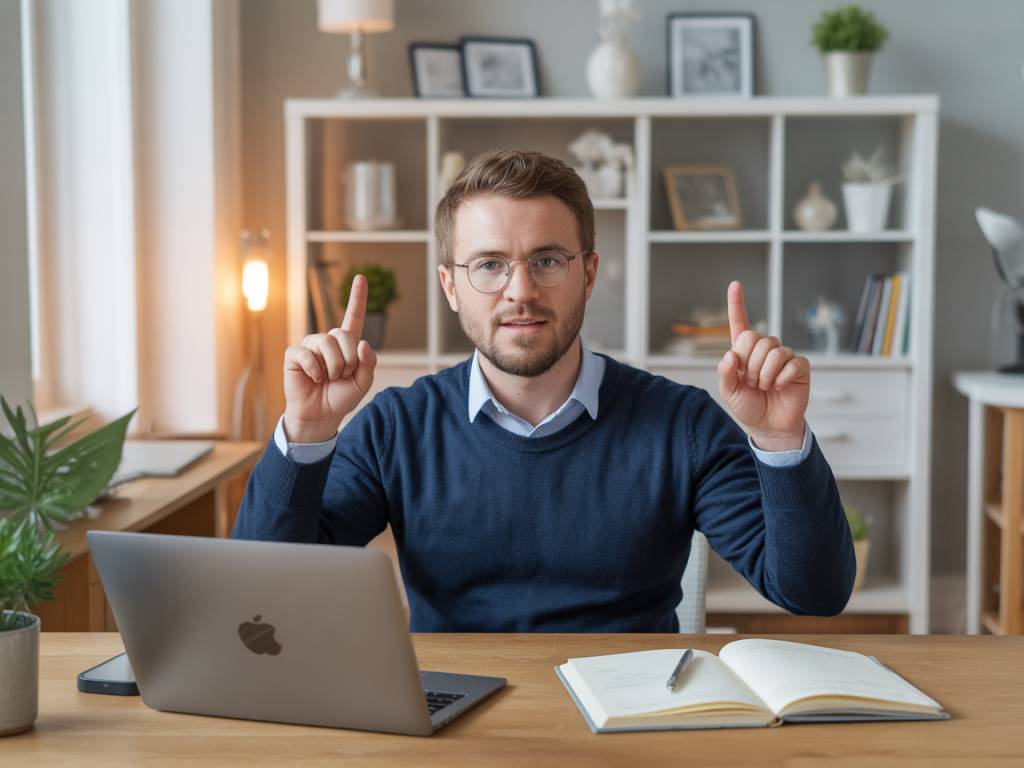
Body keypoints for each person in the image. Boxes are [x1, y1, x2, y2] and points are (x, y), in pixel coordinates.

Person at [232, 149, 855, 632]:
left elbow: (812, 594)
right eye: (490, 264)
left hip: (636, 718)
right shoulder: (397, 427)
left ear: (587, 273)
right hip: (455, 725)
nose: (520, 290)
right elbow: (263, 594)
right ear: (451, 286)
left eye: (548, 259)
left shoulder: (682, 423)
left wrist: (778, 439)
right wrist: (306, 434)